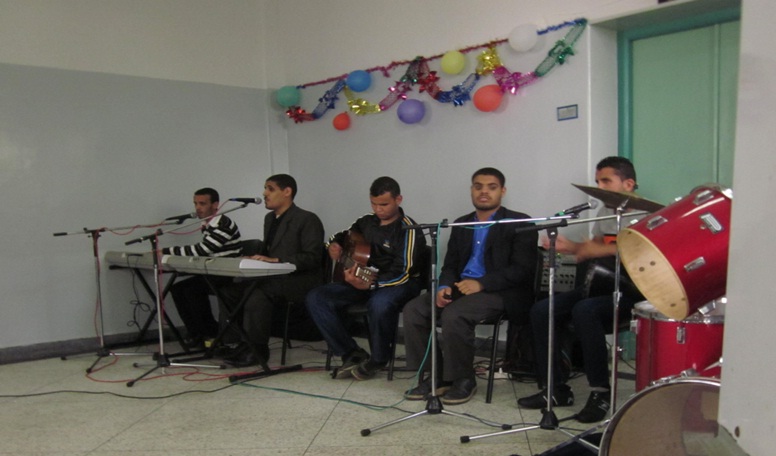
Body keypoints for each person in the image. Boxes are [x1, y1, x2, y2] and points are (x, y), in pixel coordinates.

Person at [517, 156, 645, 423]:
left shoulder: (648, 215)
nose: (599, 187)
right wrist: (572, 248)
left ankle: (600, 393)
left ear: (628, 183)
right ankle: (555, 389)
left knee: (585, 310)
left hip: (633, 292)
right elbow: (594, 250)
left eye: (606, 181)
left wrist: (602, 249)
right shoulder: (604, 213)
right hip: (601, 286)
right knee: (542, 310)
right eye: (598, 181)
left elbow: (644, 256)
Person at [402, 167, 538, 405]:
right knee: (414, 310)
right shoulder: (461, 223)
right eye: (478, 187)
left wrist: (481, 283)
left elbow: (522, 269)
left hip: (501, 291)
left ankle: (463, 379)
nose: (484, 192)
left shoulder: (519, 222)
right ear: (471, 190)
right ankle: (437, 376)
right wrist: (444, 286)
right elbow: (450, 265)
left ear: (503, 191)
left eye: (491, 187)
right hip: (461, 287)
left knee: (455, 314)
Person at [306, 176, 427, 380]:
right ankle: (351, 352)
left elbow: (403, 271)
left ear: (398, 199)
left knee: (379, 303)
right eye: (373, 204)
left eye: (384, 204)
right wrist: (333, 246)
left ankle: (379, 359)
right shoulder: (366, 222)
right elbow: (340, 236)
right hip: (363, 280)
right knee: (316, 297)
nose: (378, 209)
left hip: (399, 283)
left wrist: (371, 285)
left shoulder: (408, 229)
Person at [221, 174, 325, 367]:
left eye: (270, 189)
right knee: (230, 291)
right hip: (275, 277)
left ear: (287, 192)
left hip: (300, 280)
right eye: (265, 188)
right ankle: (237, 343)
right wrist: (253, 258)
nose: (264, 193)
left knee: (258, 293)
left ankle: (258, 349)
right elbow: (269, 251)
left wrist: (277, 260)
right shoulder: (270, 219)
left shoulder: (307, 219)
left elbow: (312, 257)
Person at [163, 187, 242, 348]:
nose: (198, 208)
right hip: (213, 271)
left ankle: (210, 332)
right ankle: (196, 333)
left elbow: (202, 250)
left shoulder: (223, 224)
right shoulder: (207, 224)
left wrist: (165, 252)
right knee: (178, 289)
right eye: (195, 203)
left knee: (192, 290)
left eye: (202, 203)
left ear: (215, 205)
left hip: (226, 273)